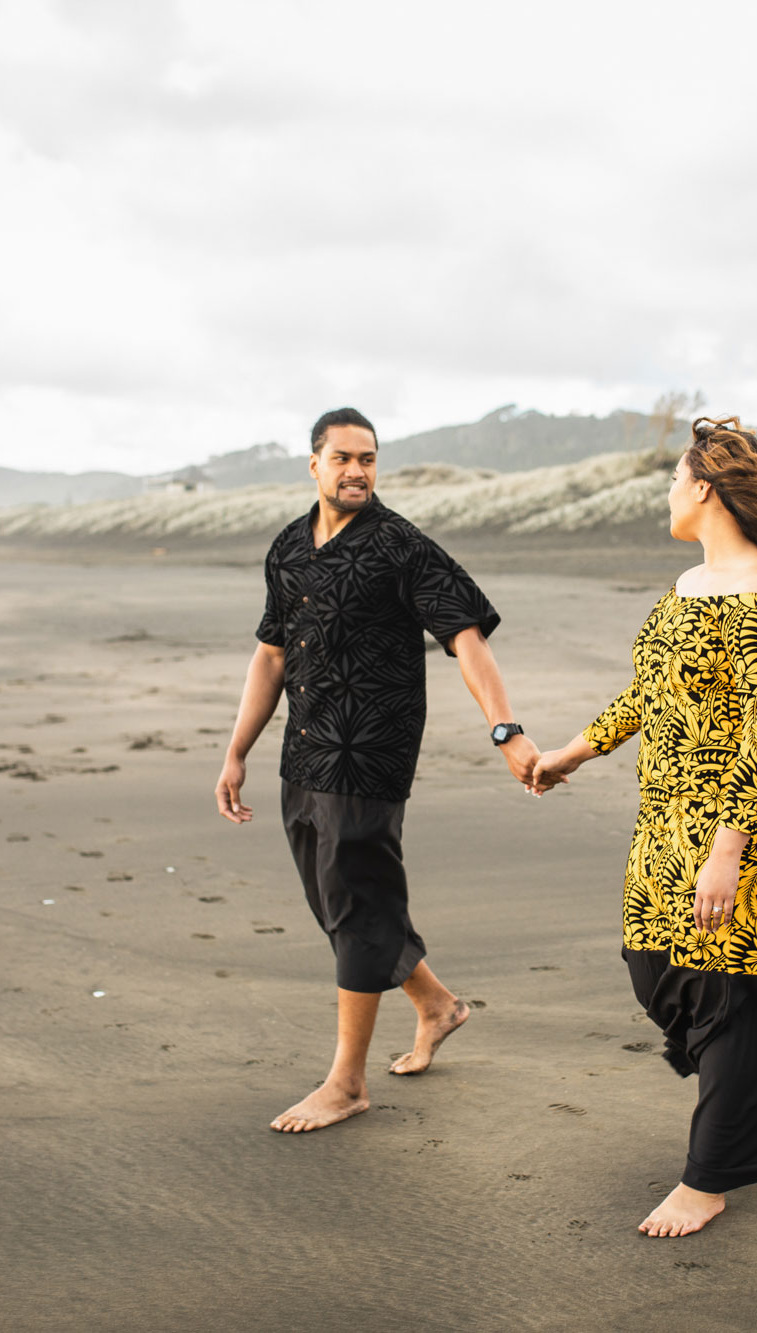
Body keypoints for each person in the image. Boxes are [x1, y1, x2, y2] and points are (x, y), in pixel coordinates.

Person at [530, 416, 757, 1237]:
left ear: (704, 487)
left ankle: (712, 1175)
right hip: (667, 812)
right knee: (654, 961)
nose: (668, 493)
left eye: (674, 478)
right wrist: (575, 750)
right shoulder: (685, 586)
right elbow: (651, 693)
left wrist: (728, 854)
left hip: (743, 817)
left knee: (724, 983)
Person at [216, 406, 542, 1133]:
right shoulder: (288, 547)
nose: (358, 470)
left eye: (368, 458)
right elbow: (272, 652)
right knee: (338, 901)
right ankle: (436, 1004)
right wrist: (237, 748)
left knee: (356, 898)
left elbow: (465, 636)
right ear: (314, 464)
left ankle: (346, 1082)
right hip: (303, 748)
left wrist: (506, 730)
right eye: (343, 458)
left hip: (371, 752)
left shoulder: (400, 546)